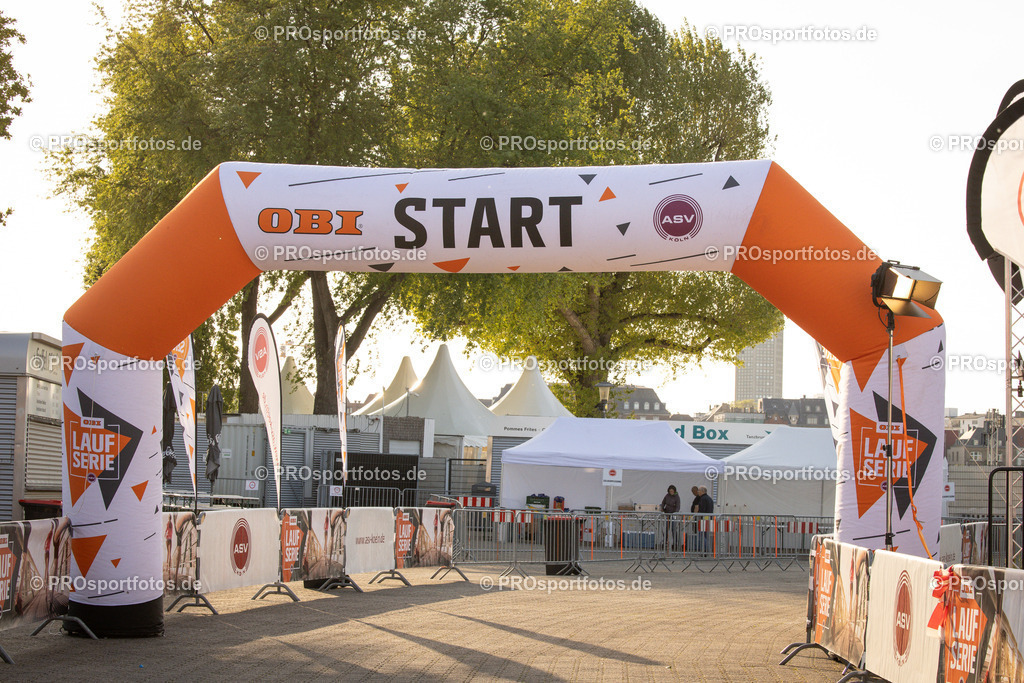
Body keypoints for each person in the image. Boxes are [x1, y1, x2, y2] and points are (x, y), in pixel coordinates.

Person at [660, 485, 682, 551]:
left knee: (673, 529)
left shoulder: (677, 497)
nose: (671, 492)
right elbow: (663, 502)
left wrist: (676, 512)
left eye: (672, 491)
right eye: (670, 491)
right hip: (667, 514)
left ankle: (675, 544)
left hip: (673, 514)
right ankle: (665, 542)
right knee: (666, 529)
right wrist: (663, 509)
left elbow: (678, 505)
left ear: (674, 491)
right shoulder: (667, 496)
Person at [696, 486, 714, 554]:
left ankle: (706, 550)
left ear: (702, 491)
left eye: (699, 491)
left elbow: (702, 509)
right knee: (706, 535)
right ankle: (707, 550)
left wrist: (698, 515)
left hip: (704, 519)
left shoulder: (703, 499)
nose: (698, 492)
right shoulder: (709, 498)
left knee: (702, 535)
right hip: (709, 518)